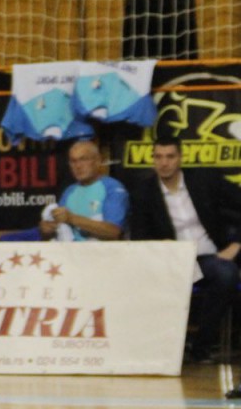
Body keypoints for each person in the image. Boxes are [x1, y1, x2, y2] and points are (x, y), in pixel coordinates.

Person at [130, 139, 241, 364]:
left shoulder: (204, 179)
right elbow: (139, 236)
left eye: (170, 156)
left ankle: (201, 346)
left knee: (226, 273)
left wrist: (236, 244)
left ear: (180, 158)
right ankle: (159, 349)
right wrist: (161, 247)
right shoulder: (144, 192)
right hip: (171, 260)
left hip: (211, 255)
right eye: (158, 157)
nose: (164, 163)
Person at [39, 138, 128, 242]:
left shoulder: (112, 188)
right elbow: (60, 230)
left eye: (83, 159)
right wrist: (47, 230)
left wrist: (72, 218)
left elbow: (113, 231)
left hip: (104, 251)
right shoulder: (69, 191)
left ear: (98, 161)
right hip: (72, 251)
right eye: (73, 161)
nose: (78, 166)